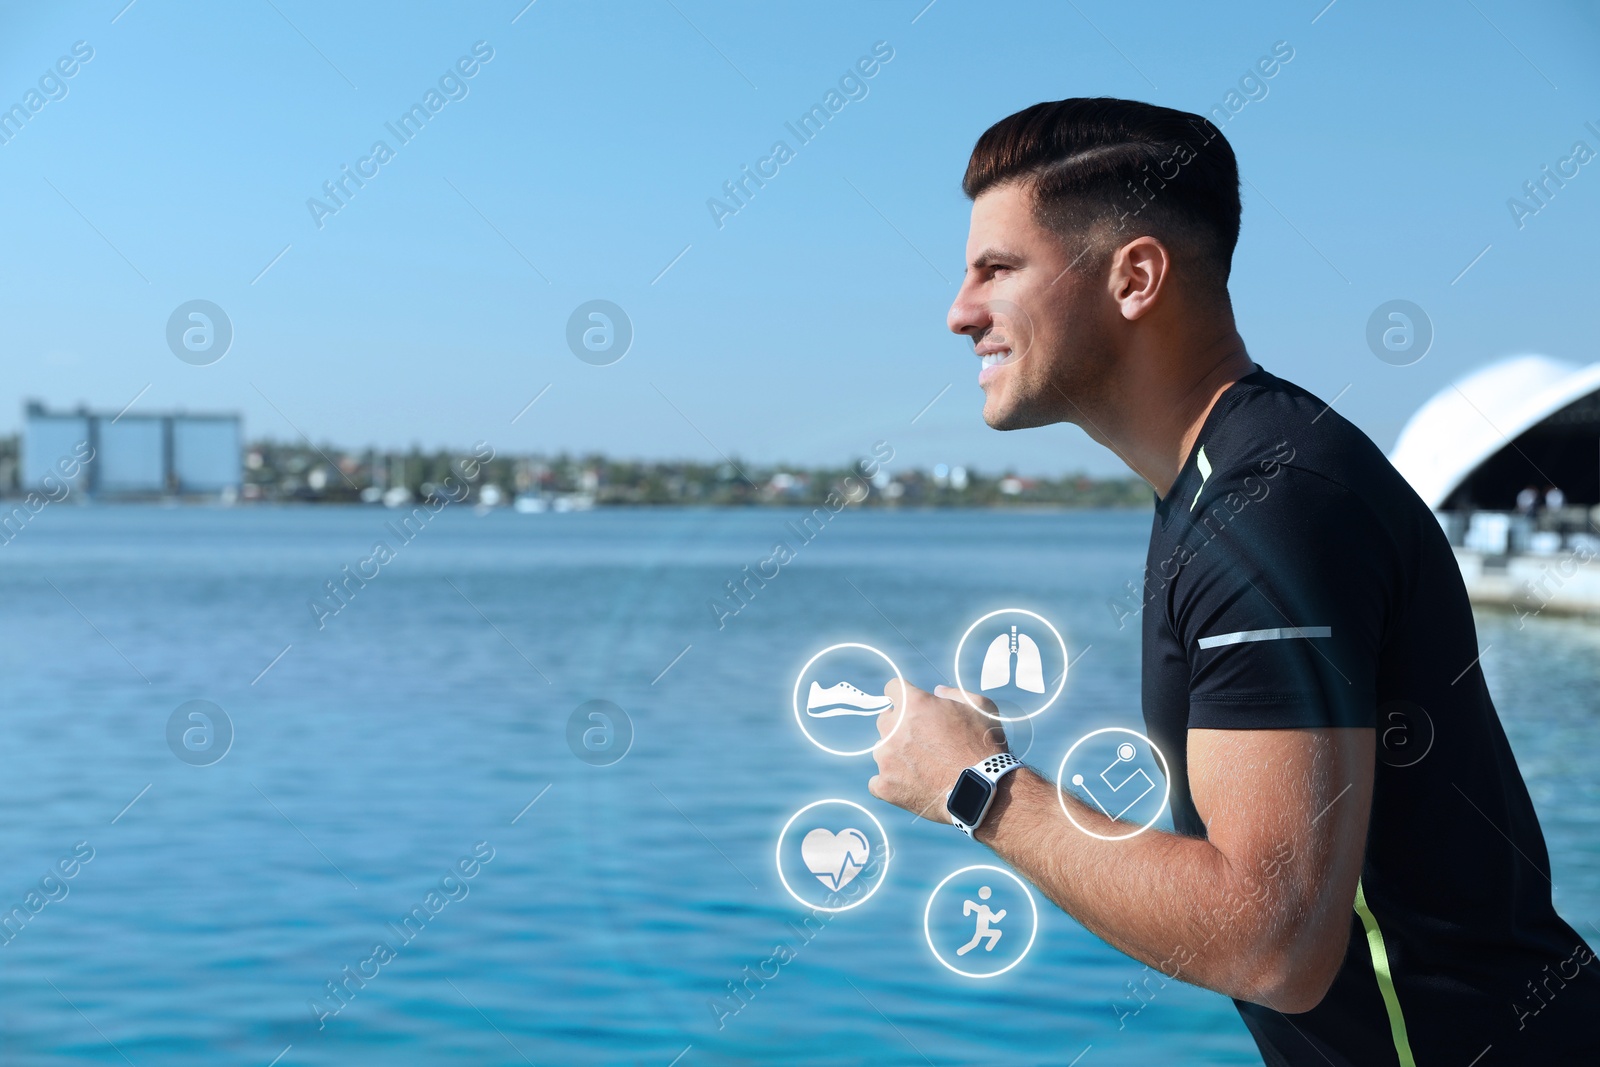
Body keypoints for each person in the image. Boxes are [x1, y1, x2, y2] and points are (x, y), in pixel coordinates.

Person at [866, 98, 1600, 1065]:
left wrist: (981, 788)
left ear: (1135, 277)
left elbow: (1274, 941)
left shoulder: (1272, 511)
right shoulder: (1230, 485)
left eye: (996, 269)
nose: (960, 312)